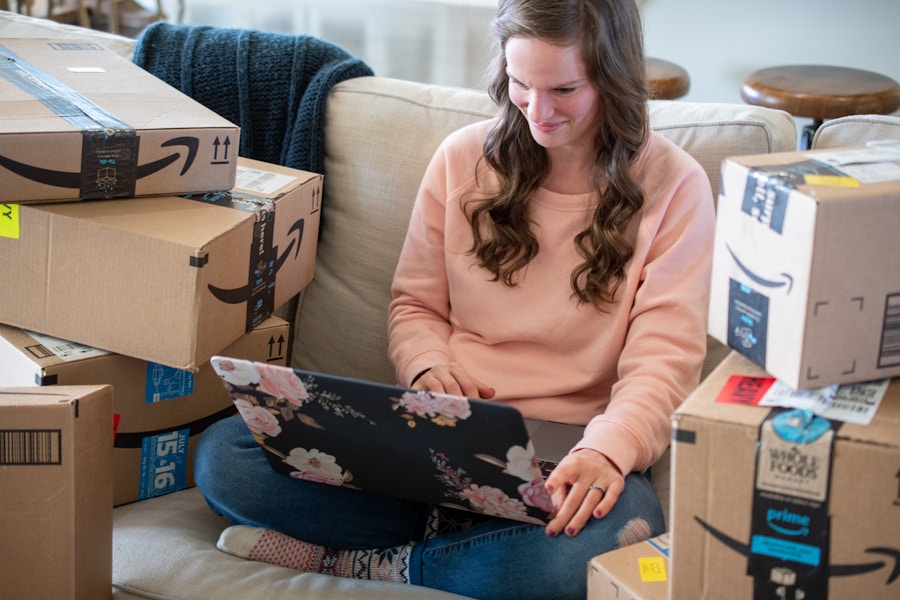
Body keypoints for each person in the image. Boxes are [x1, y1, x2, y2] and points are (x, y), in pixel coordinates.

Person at [193, 0, 715, 598]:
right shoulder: (463, 158)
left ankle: (373, 563)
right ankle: (461, 552)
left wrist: (609, 451)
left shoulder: (675, 185)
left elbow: (664, 360)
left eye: (564, 88)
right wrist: (427, 366)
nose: (538, 111)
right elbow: (414, 305)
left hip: (572, 447)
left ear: (613, 77)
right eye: (521, 83)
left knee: (620, 537)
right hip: (444, 435)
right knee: (227, 454)